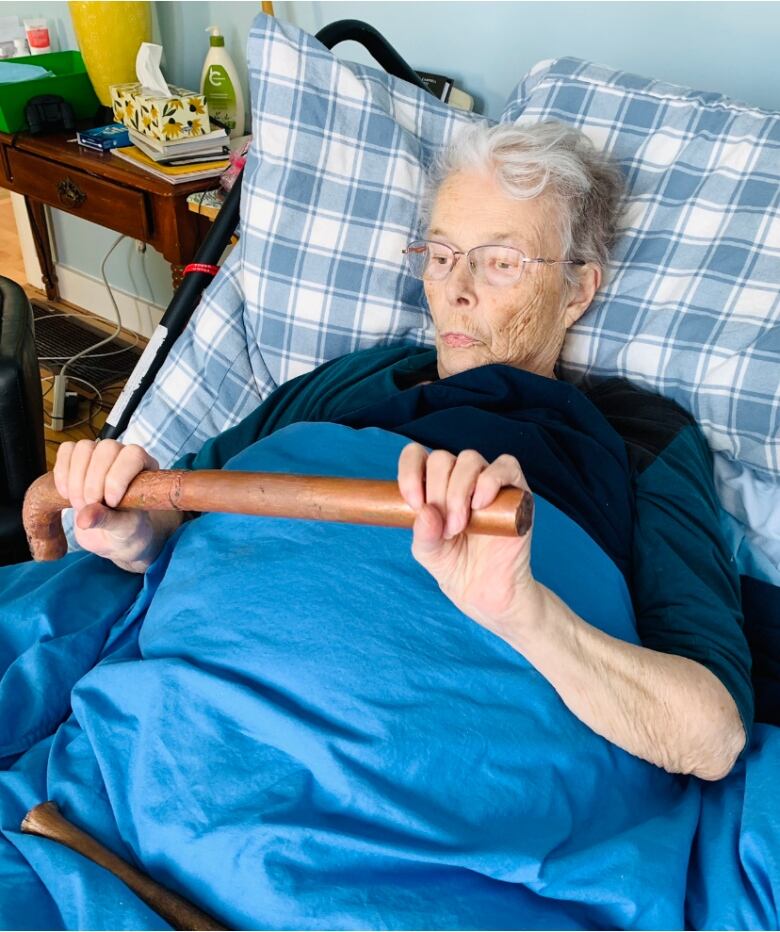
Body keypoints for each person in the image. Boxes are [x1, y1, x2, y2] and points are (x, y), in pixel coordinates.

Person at [51, 121, 749, 782]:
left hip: (419, 744)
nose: (456, 291)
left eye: (500, 263)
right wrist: (134, 526)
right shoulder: (357, 379)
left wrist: (523, 614)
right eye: (441, 256)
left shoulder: (641, 435)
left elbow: (712, 738)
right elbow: (188, 502)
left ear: (577, 289)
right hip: (190, 692)